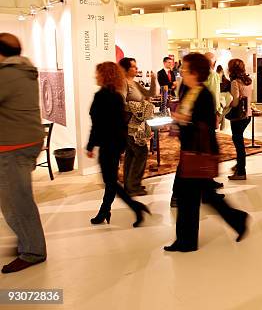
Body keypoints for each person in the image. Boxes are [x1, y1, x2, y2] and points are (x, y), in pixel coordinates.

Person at [164, 53, 249, 252]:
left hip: (201, 151)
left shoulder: (203, 95)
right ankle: (234, 220)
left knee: (192, 197)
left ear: (195, 72)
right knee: (197, 196)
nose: (181, 71)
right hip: (190, 150)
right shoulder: (187, 90)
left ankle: (187, 240)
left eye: (184, 68)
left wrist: (182, 119)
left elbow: (204, 126)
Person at [0, 33, 47, 273]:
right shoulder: (25, 71)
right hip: (26, 140)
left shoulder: (7, 75)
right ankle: (25, 239)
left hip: (12, 146)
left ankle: (33, 251)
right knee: (15, 197)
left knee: (16, 201)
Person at [87, 62, 150, 228]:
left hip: (109, 144)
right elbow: (113, 122)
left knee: (111, 181)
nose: (95, 76)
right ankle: (106, 210)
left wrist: (91, 145)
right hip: (113, 143)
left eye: (98, 73)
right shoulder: (112, 95)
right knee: (110, 181)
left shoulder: (103, 96)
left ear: (105, 75)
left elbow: (99, 124)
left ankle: (133, 208)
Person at [119, 57, 157, 196]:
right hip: (131, 125)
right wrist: (138, 107)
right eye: (134, 66)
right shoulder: (123, 83)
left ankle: (129, 185)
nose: (136, 68)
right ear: (125, 69)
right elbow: (121, 103)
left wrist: (153, 80)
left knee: (132, 153)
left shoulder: (134, 83)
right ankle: (133, 186)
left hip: (138, 124)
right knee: (141, 152)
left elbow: (150, 94)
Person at [227, 59, 253, 181]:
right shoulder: (248, 81)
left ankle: (241, 171)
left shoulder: (235, 82)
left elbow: (235, 101)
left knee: (239, 144)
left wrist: (226, 103)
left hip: (238, 116)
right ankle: (239, 166)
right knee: (240, 142)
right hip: (247, 115)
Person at [203, 52, 222, 121]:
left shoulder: (197, 74)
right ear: (214, 63)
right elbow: (214, 94)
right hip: (209, 111)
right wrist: (218, 111)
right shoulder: (213, 75)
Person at [217, 64, 233, 131]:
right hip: (220, 99)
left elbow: (229, 92)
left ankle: (218, 121)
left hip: (225, 99)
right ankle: (219, 122)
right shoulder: (217, 79)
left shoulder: (227, 81)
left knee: (225, 101)